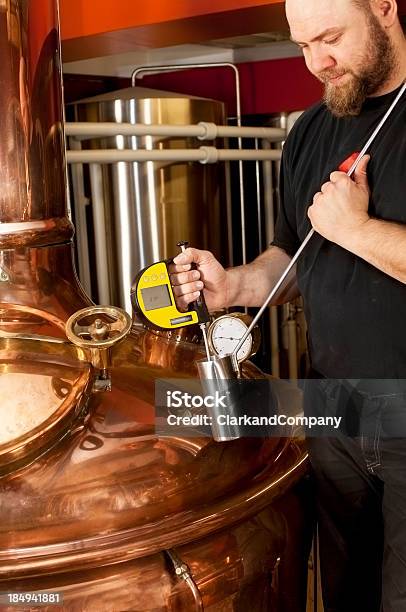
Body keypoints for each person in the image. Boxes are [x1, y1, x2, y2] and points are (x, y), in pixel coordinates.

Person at [169, 0, 406, 609]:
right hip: (336, 407)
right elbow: (297, 255)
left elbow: (342, 234)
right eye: (301, 45)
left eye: (330, 38)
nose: (317, 63)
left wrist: (358, 230)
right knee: (344, 593)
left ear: (384, 7)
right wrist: (238, 287)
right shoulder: (310, 130)